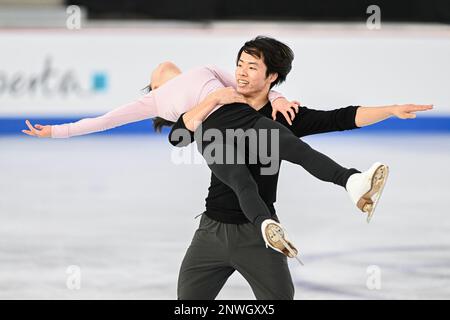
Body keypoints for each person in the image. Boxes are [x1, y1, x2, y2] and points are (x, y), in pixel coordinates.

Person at [167, 36, 433, 299]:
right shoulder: (220, 107)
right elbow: (179, 135)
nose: (241, 73)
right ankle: (351, 181)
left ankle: (351, 182)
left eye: (252, 67)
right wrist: (211, 100)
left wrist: (390, 109)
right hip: (210, 231)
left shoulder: (283, 117)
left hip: (260, 234)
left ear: (272, 76)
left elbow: (339, 118)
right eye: (239, 64)